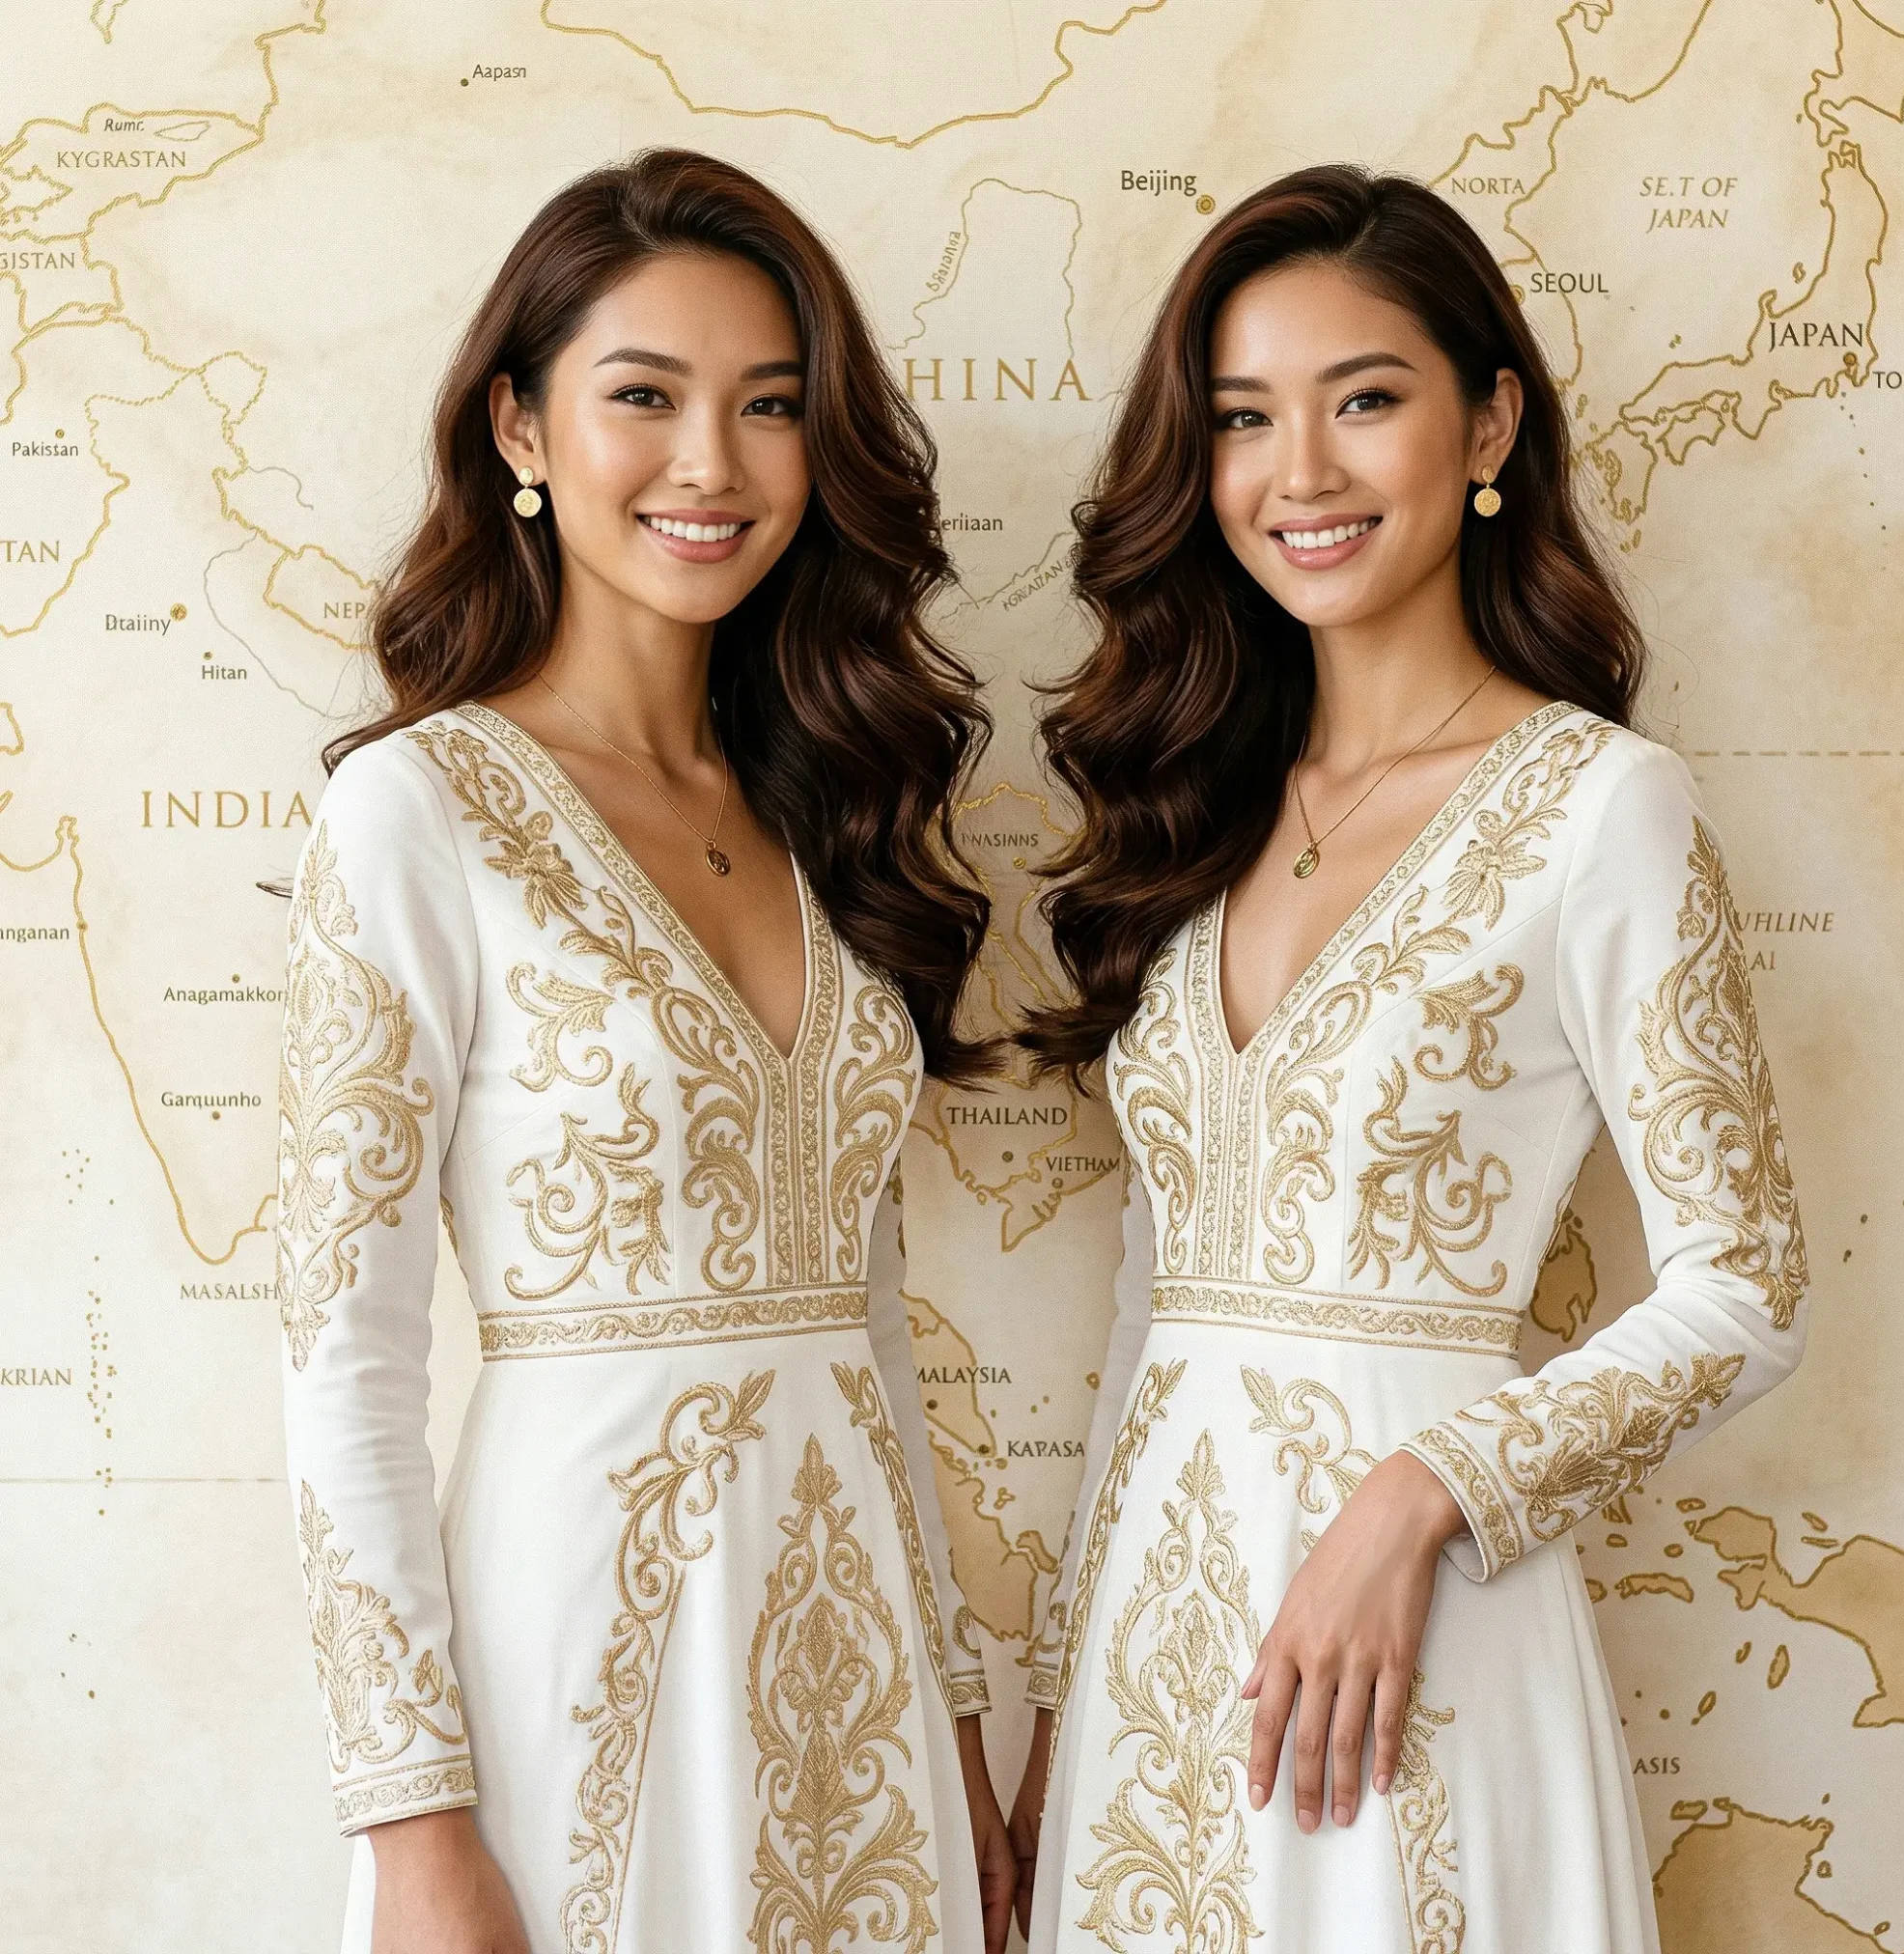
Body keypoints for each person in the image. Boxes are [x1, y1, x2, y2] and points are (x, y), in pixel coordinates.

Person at [1006, 165, 1806, 1951]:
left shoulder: (1599, 807)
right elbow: (1157, 1300)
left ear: (1488, 420)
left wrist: (1423, 1495)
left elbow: (1747, 1283)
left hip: (1419, 1628)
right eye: (1242, 419)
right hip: (1165, 1645)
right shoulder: (1204, 811)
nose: (1300, 473)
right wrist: (1066, 1719)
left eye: (1363, 399)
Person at [276, 148, 1015, 1954]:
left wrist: (965, 1723)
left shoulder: (826, 810)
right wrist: (414, 1831)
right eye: (644, 397)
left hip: (865, 1699)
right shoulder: (415, 813)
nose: (713, 464)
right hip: (579, 1666)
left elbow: (874, 1327)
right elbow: (343, 1357)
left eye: (770, 406)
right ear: (520, 430)